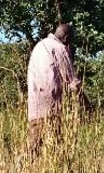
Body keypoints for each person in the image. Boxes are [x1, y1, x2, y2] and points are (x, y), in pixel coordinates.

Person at [26, 22, 82, 155]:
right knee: (55, 145)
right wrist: (85, 101)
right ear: (66, 38)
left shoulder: (40, 45)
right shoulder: (59, 48)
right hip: (52, 105)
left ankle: (24, 172)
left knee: (34, 144)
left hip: (35, 104)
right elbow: (72, 80)